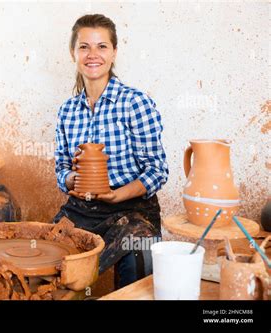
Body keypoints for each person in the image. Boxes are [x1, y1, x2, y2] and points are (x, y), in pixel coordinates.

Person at [53, 14, 169, 289]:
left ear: (114, 52)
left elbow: (157, 171)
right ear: (73, 53)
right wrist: (72, 180)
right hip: (82, 208)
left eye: (102, 46)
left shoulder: (135, 103)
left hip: (132, 209)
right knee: (49, 254)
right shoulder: (67, 111)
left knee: (140, 254)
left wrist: (117, 194)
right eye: (84, 47)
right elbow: (61, 167)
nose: (93, 55)